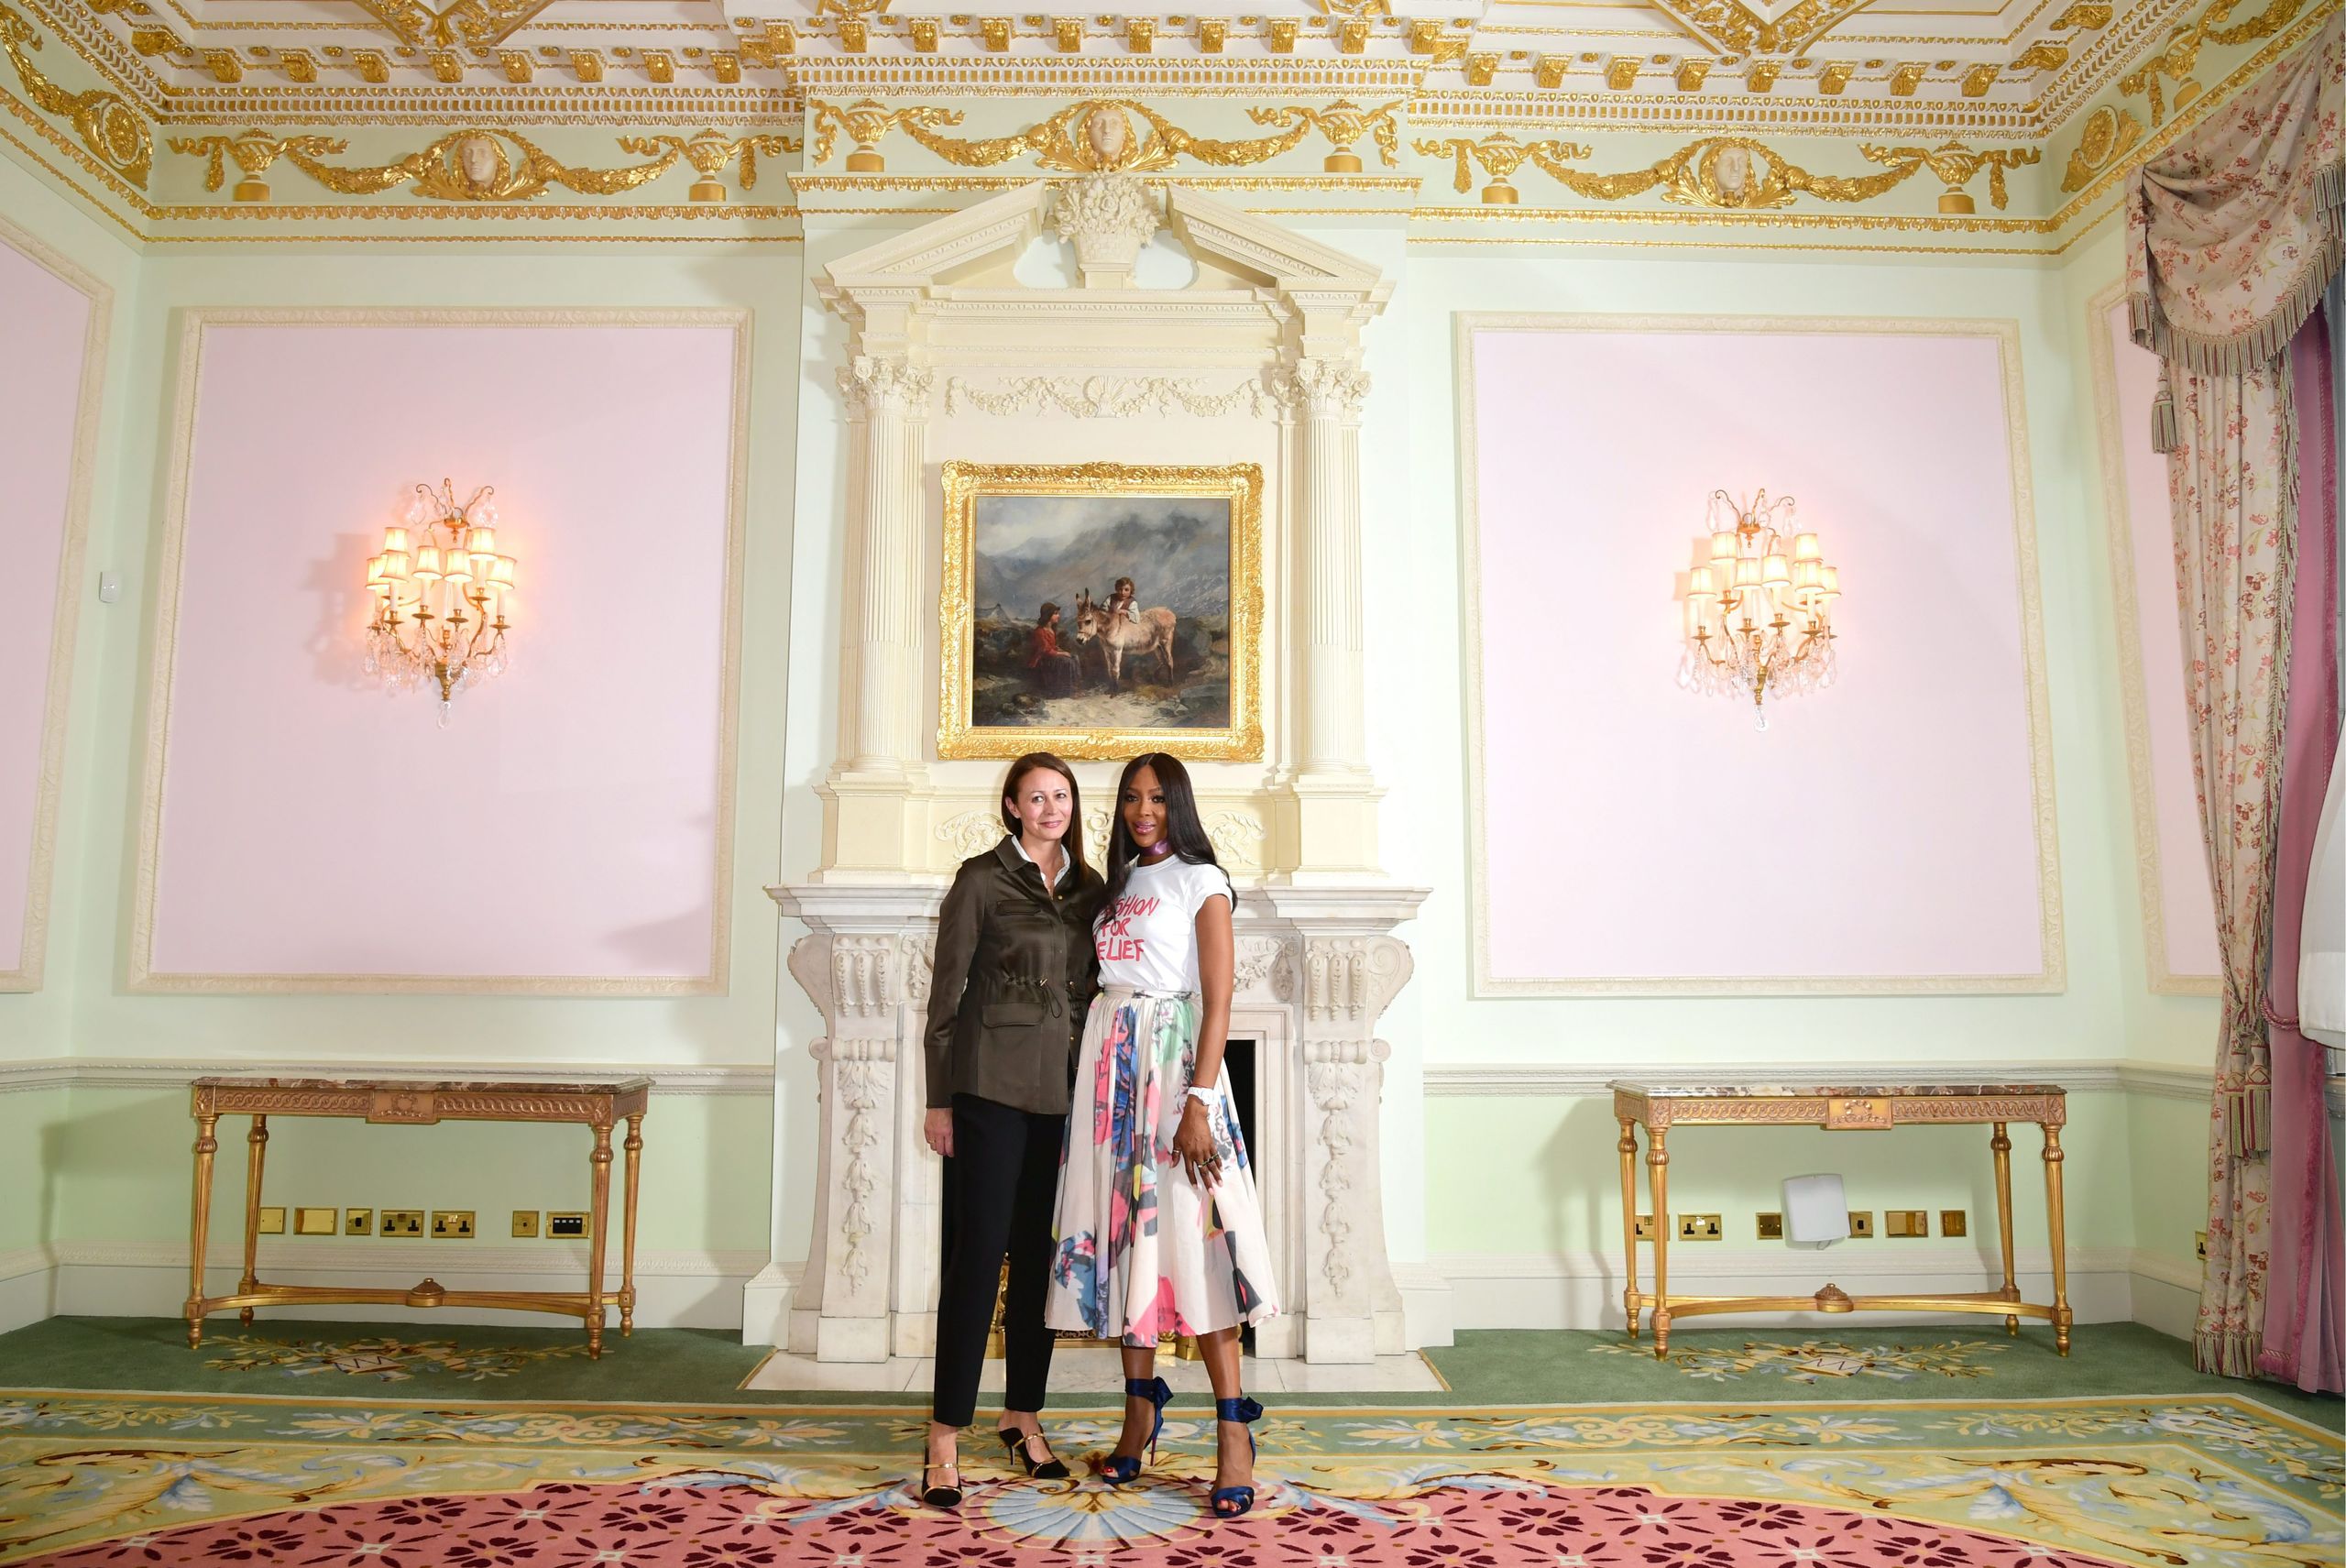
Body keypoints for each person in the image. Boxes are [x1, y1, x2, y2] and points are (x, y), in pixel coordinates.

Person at [1046, 752, 1278, 1519]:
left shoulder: (1200, 881)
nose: (1142, 810)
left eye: (1156, 797)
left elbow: (1218, 1000)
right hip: (1111, 1073)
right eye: (1131, 797)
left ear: (1178, 802)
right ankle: (1140, 1413)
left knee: (1195, 1241)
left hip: (1174, 1073)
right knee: (1126, 1243)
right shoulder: (1116, 885)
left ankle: (1233, 1431)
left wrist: (1198, 1103)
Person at [920, 753, 1105, 1509]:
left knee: (1039, 1260)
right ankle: (943, 1434)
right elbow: (945, 995)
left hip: (1062, 1094)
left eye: (1061, 795)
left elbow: (1094, 987)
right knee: (977, 1257)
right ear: (1012, 805)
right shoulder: (980, 879)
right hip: (988, 1089)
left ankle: (1022, 1415)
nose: (1051, 807)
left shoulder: (1091, 888)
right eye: (1036, 796)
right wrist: (939, 1101)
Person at [1026, 603, 1077, 697]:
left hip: (1050, 657)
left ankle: (1074, 688)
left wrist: (1062, 651)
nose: (1058, 616)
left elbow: (1052, 647)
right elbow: (1045, 650)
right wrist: (1062, 654)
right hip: (1042, 660)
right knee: (1066, 661)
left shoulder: (1051, 630)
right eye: (1056, 613)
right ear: (1048, 615)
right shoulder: (1040, 631)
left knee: (1074, 657)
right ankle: (1064, 691)